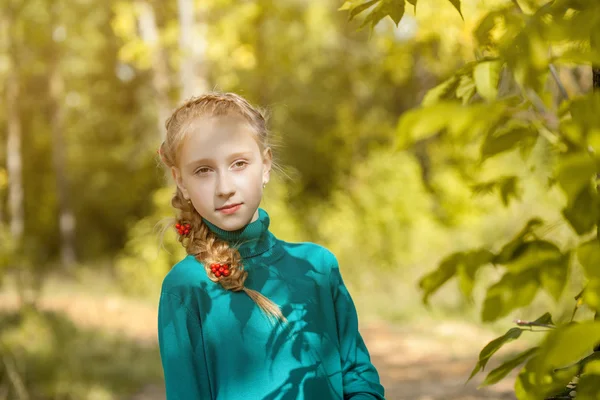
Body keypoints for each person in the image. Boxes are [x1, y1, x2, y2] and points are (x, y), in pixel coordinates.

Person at [156, 92, 385, 400]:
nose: (225, 188)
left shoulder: (317, 267)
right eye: (203, 170)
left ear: (264, 166)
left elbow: (357, 376)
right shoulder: (185, 287)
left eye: (238, 163)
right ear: (181, 181)